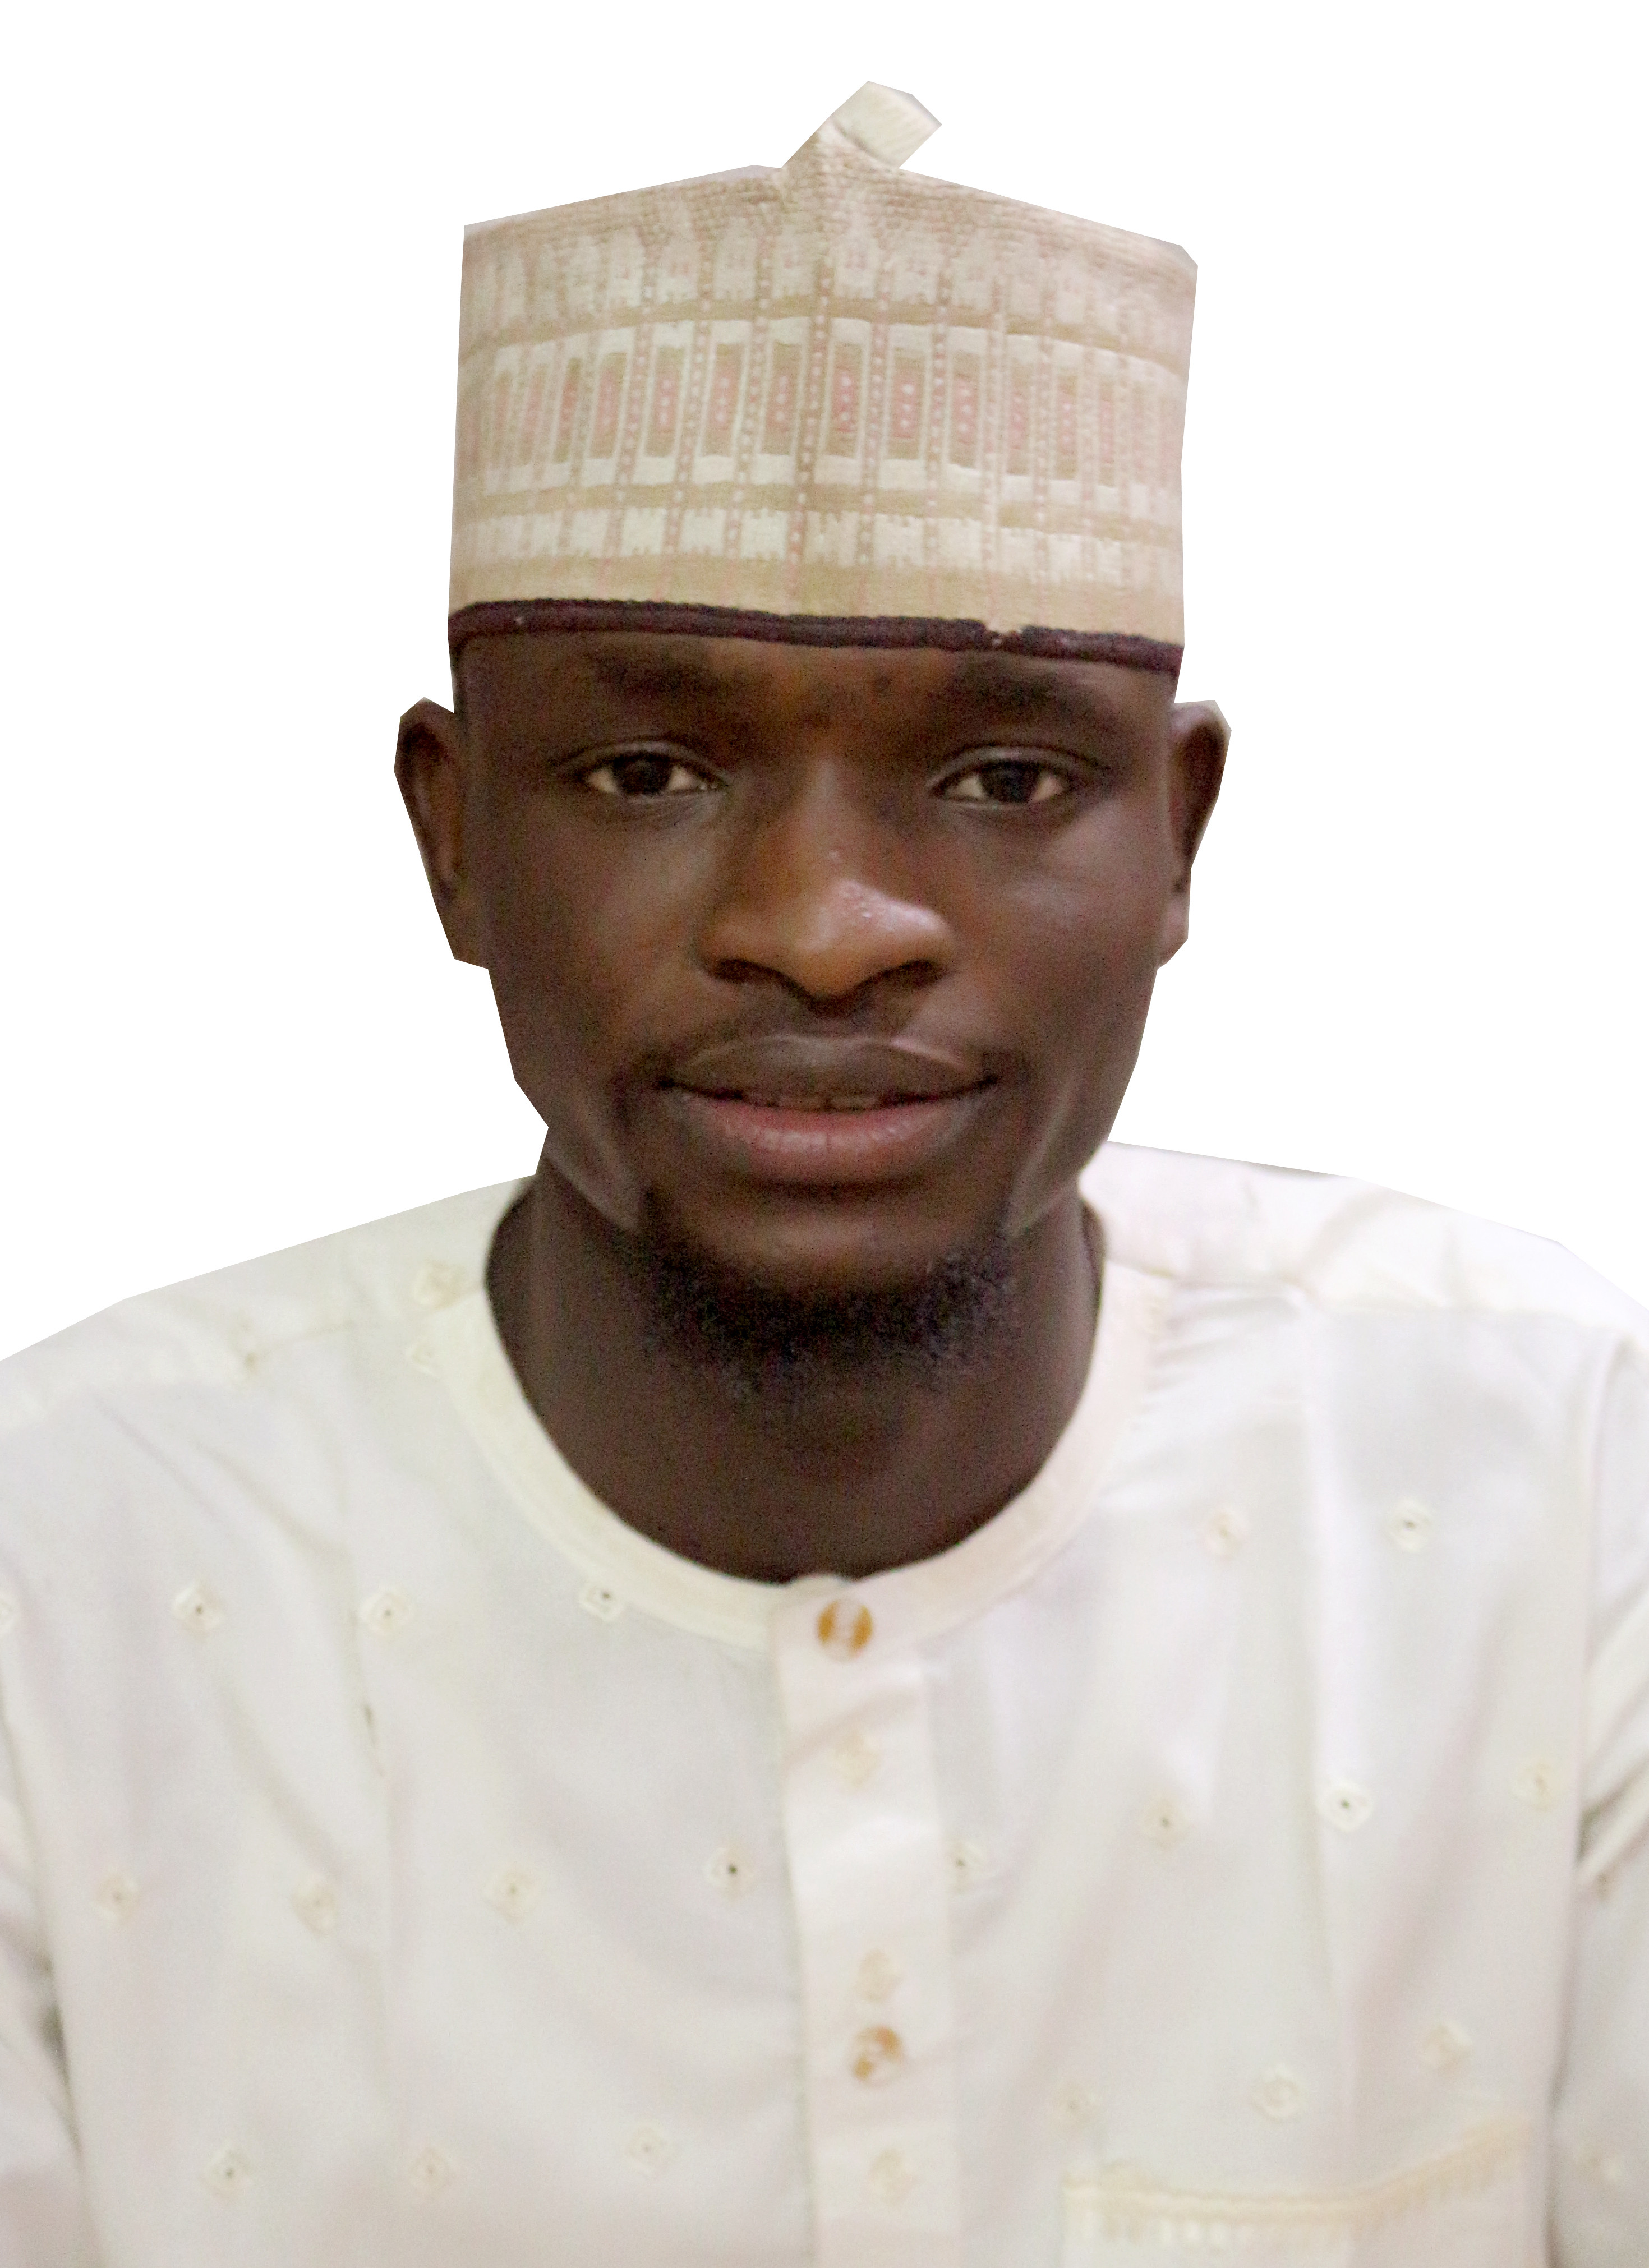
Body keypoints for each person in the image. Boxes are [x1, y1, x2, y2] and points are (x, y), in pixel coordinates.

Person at [0, 81, 1642, 2268]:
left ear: (1179, 837)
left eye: (1003, 776)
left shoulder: (1559, 1494)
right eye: (647, 769)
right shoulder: (60, 1583)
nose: (825, 925)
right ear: (454, 835)